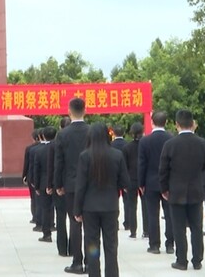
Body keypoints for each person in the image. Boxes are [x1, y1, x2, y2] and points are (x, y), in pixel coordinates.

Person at [74, 123, 129, 277]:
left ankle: (94, 274)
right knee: (111, 245)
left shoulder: (85, 156)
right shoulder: (117, 155)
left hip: (90, 208)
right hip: (110, 206)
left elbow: (80, 186)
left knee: (92, 245)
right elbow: (125, 182)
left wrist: (77, 209)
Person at [159, 109, 205, 271]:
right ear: (192, 124)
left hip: (176, 192)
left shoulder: (170, 145)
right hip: (196, 191)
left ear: (177, 124)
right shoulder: (202, 144)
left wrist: (164, 189)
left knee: (178, 228)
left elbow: (163, 170)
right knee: (196, 227)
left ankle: (181, 260)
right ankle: (197, 260)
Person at [54, 98, 91, 274]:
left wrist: (58, 185)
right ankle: (91, 262)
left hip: (70, 185)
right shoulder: (92, 132)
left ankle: (77, 262)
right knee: (90, 225)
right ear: (85, 110)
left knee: (75, 223)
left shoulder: (63, 134)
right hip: (90, 184)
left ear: (69, 111)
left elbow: (59, 162)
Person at [139, 111, 175, 255]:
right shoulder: (171, 139)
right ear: (166, 122)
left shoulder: (145, 141)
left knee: (152, 214)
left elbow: (142, 164)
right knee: (170, 214)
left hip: (151, 182)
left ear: (152, 122)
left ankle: (154, 245)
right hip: (168, 182)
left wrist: (141, 183)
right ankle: (170, 244)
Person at [50, 116, 72, 257]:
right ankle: (75, 249)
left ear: (60, 127)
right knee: (75, 220)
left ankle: (62, 248)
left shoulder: (55, 142)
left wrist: (56, 185)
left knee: (60, 218)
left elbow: (55, 166)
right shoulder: (81, 138)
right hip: (75, 184)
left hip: (61, 185)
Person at [122, 123, 147, 239]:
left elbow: (124, 167)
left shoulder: (127, 147)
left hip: (131, 180)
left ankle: (133, 231)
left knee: (132, 206)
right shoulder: (146, 145)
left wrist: (124, 182)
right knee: (145, 206)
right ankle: (146, 231)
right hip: (144, 179)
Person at [32, 126, 57, 242]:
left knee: (45, 209)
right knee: (59, 209)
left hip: (43, 183)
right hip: (57, 182)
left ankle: (47, 234)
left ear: (42, 136)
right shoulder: (59, 148)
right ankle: (57, 229)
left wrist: (36, 186)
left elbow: (36, 170)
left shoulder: (38, 150)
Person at [110, 125, 127, 231]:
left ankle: (114, 222)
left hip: (113, 176)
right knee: (128, 201)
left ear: (114, 133)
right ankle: (128, 222)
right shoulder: (127, 144)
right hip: (125, 174)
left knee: (114, 200)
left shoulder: (110, 145)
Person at [23, 130, 40, 226]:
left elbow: (26, 163)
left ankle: (35, 217)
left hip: (31, 176)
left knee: (33, 198)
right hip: (42, 177)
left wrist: (24, 175)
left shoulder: (30, 148)